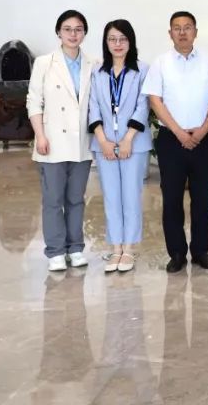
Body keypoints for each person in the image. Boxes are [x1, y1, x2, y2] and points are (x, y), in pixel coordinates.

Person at [144, 11, 208, 273]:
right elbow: (155, 100)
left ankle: (201, 251)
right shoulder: (161, 63)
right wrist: (179, 132)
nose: (182, 32)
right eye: (177, 28)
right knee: (172, 200)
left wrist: (202, 130)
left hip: (203, 139)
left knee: (203, 200)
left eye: (187, 27)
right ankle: (177, 253)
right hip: (171, 139)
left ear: (195, 32)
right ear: (170, 33)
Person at [27, 9, 97, 272]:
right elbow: (34, 101)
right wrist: (40, 135)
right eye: (67, 29)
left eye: (78, 29)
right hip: (52, 140)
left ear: (84, 33)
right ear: (58, 32)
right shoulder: (44, 63)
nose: (73, 34)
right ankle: (55, 251)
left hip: (81, 142)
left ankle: (75, 248)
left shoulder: (93, 63)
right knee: (53, 199)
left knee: (76, 199)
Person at [88, 19, 151, 273]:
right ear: (106, 42)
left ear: (131, 41)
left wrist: (127, 139)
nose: (117, 44)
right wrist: (102, 140)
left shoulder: (142, 70)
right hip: (104, 143)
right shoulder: (97, 72)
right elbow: (93, 105)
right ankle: (115, 248)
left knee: (131, 196)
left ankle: (129, 249)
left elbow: (143, 105)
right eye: (112, 39)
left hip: (133, 144)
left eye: (123, 39)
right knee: (111, 196)